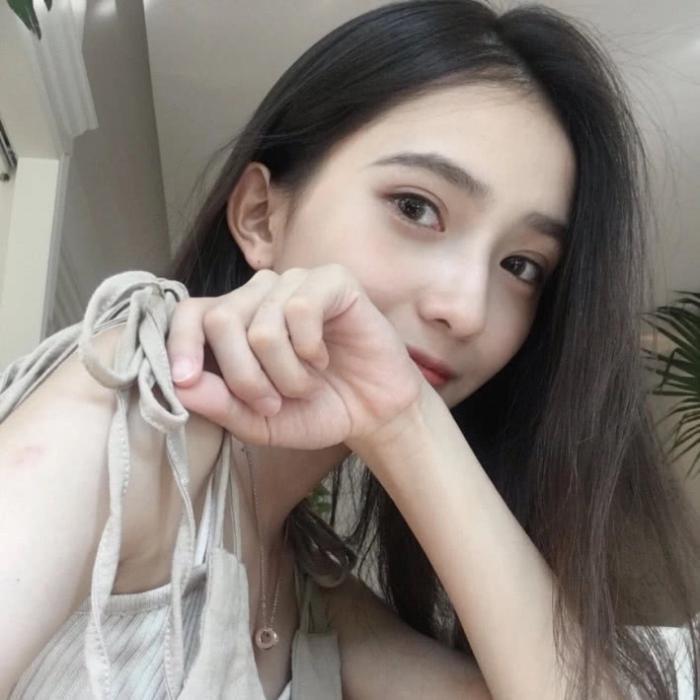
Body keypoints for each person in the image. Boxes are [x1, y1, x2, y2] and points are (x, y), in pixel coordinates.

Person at [1, 0, 699, 698]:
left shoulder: (310, 583)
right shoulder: (137, 425)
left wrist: (405, 421)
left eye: (522, 266)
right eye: (416, 207)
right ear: (260, 216)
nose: (466, 309)